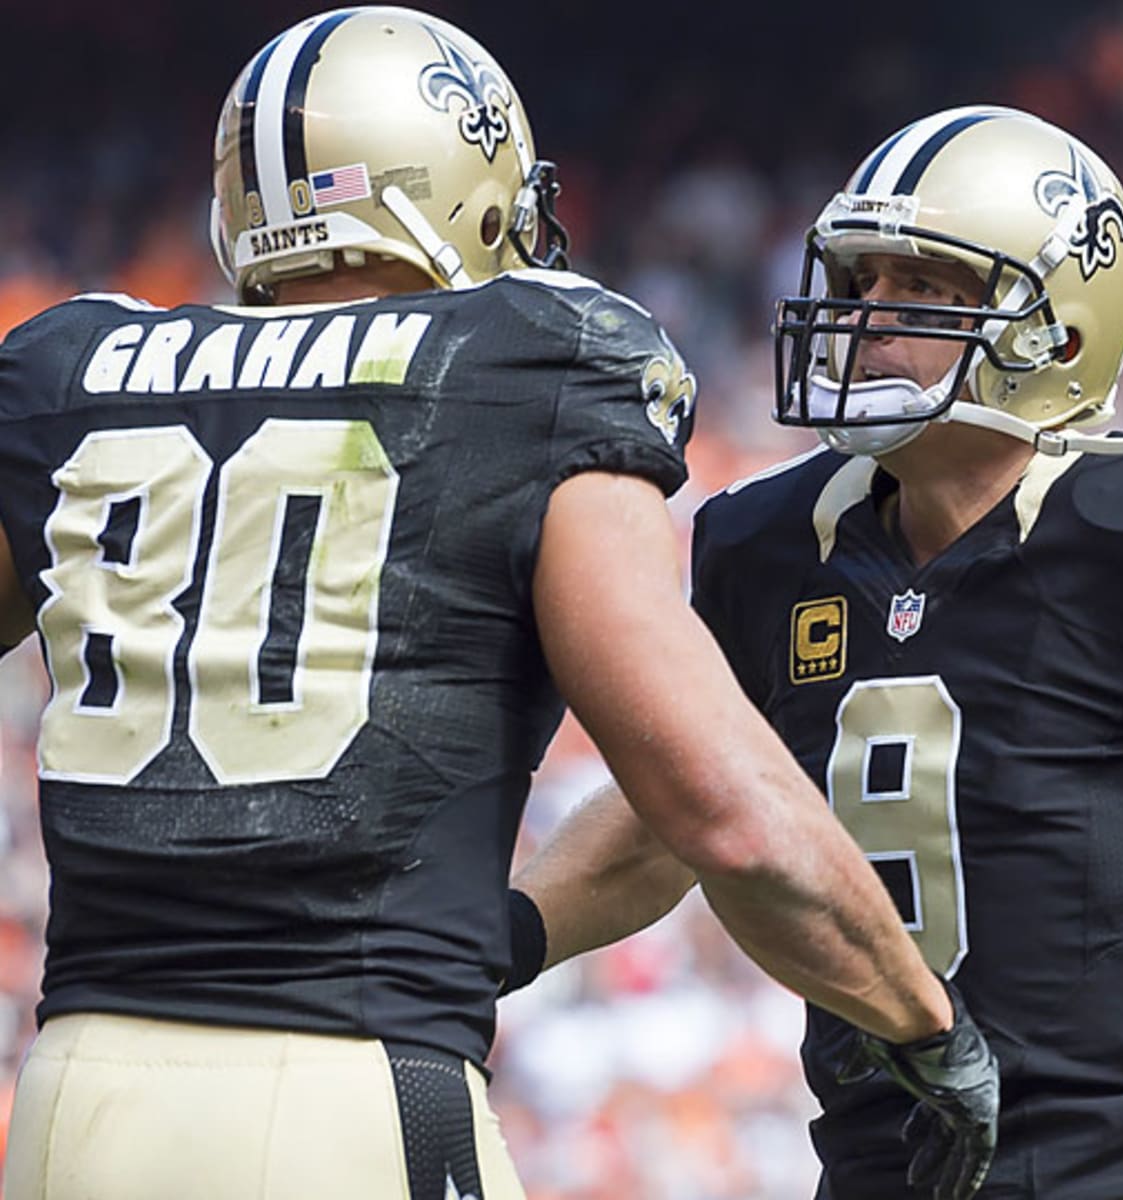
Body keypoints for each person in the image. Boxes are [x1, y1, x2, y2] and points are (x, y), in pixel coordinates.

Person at [0, 13, 997, 1200]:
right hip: (347, 1090)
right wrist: (923, 1024)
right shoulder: (530, 358)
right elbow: (712, 798)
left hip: (72, 1092)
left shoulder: (66, 364)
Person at [509, 105, 1123, 1198]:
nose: (870, 317)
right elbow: (677, 814)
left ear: (1057, 337)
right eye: (863, 282)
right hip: (884, 1168)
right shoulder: (769, 544)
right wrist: (494, 944)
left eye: (922, 289)